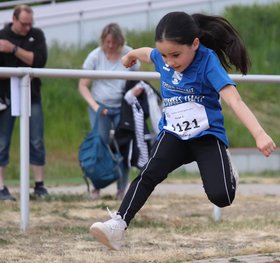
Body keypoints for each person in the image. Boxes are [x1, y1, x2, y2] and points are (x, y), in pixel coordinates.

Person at [89, 11, 276, 250]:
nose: (169, 62)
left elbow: (234, 101)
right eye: (165, 55)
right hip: (174, 134)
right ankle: (117, 225)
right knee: (148, 174)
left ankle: (226, 171)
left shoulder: (207, 62)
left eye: (176, 55)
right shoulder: (163, 56)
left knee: (222, 197)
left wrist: (259, 134)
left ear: (195, 44)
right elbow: (149, 53)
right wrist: (131, 56)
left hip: (206, 136)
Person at [0, 4, 48, 201]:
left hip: (31, 96)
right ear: (14, 19)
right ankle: (1, 188)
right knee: (1, 141)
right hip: (3, 98)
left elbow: (38, 61)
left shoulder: (37, 35)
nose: (27, 28)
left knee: (36, 140)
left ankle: (39, 185)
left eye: (30, 24)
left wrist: (13, 49)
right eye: (24, 24)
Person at [78, 23, 143, 200]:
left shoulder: (129, 53)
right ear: (103, 41)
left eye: (114, 42)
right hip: (100, 107)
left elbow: (138, 80)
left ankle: (121, 188)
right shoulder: (95, 56)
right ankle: (96, 186)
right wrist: (96, 107)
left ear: (120, 41)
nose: (111, 45)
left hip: (122, 106)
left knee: (122, 146)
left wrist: (136, 91)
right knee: (99, 145)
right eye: (108, 42)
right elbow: (83, 85)